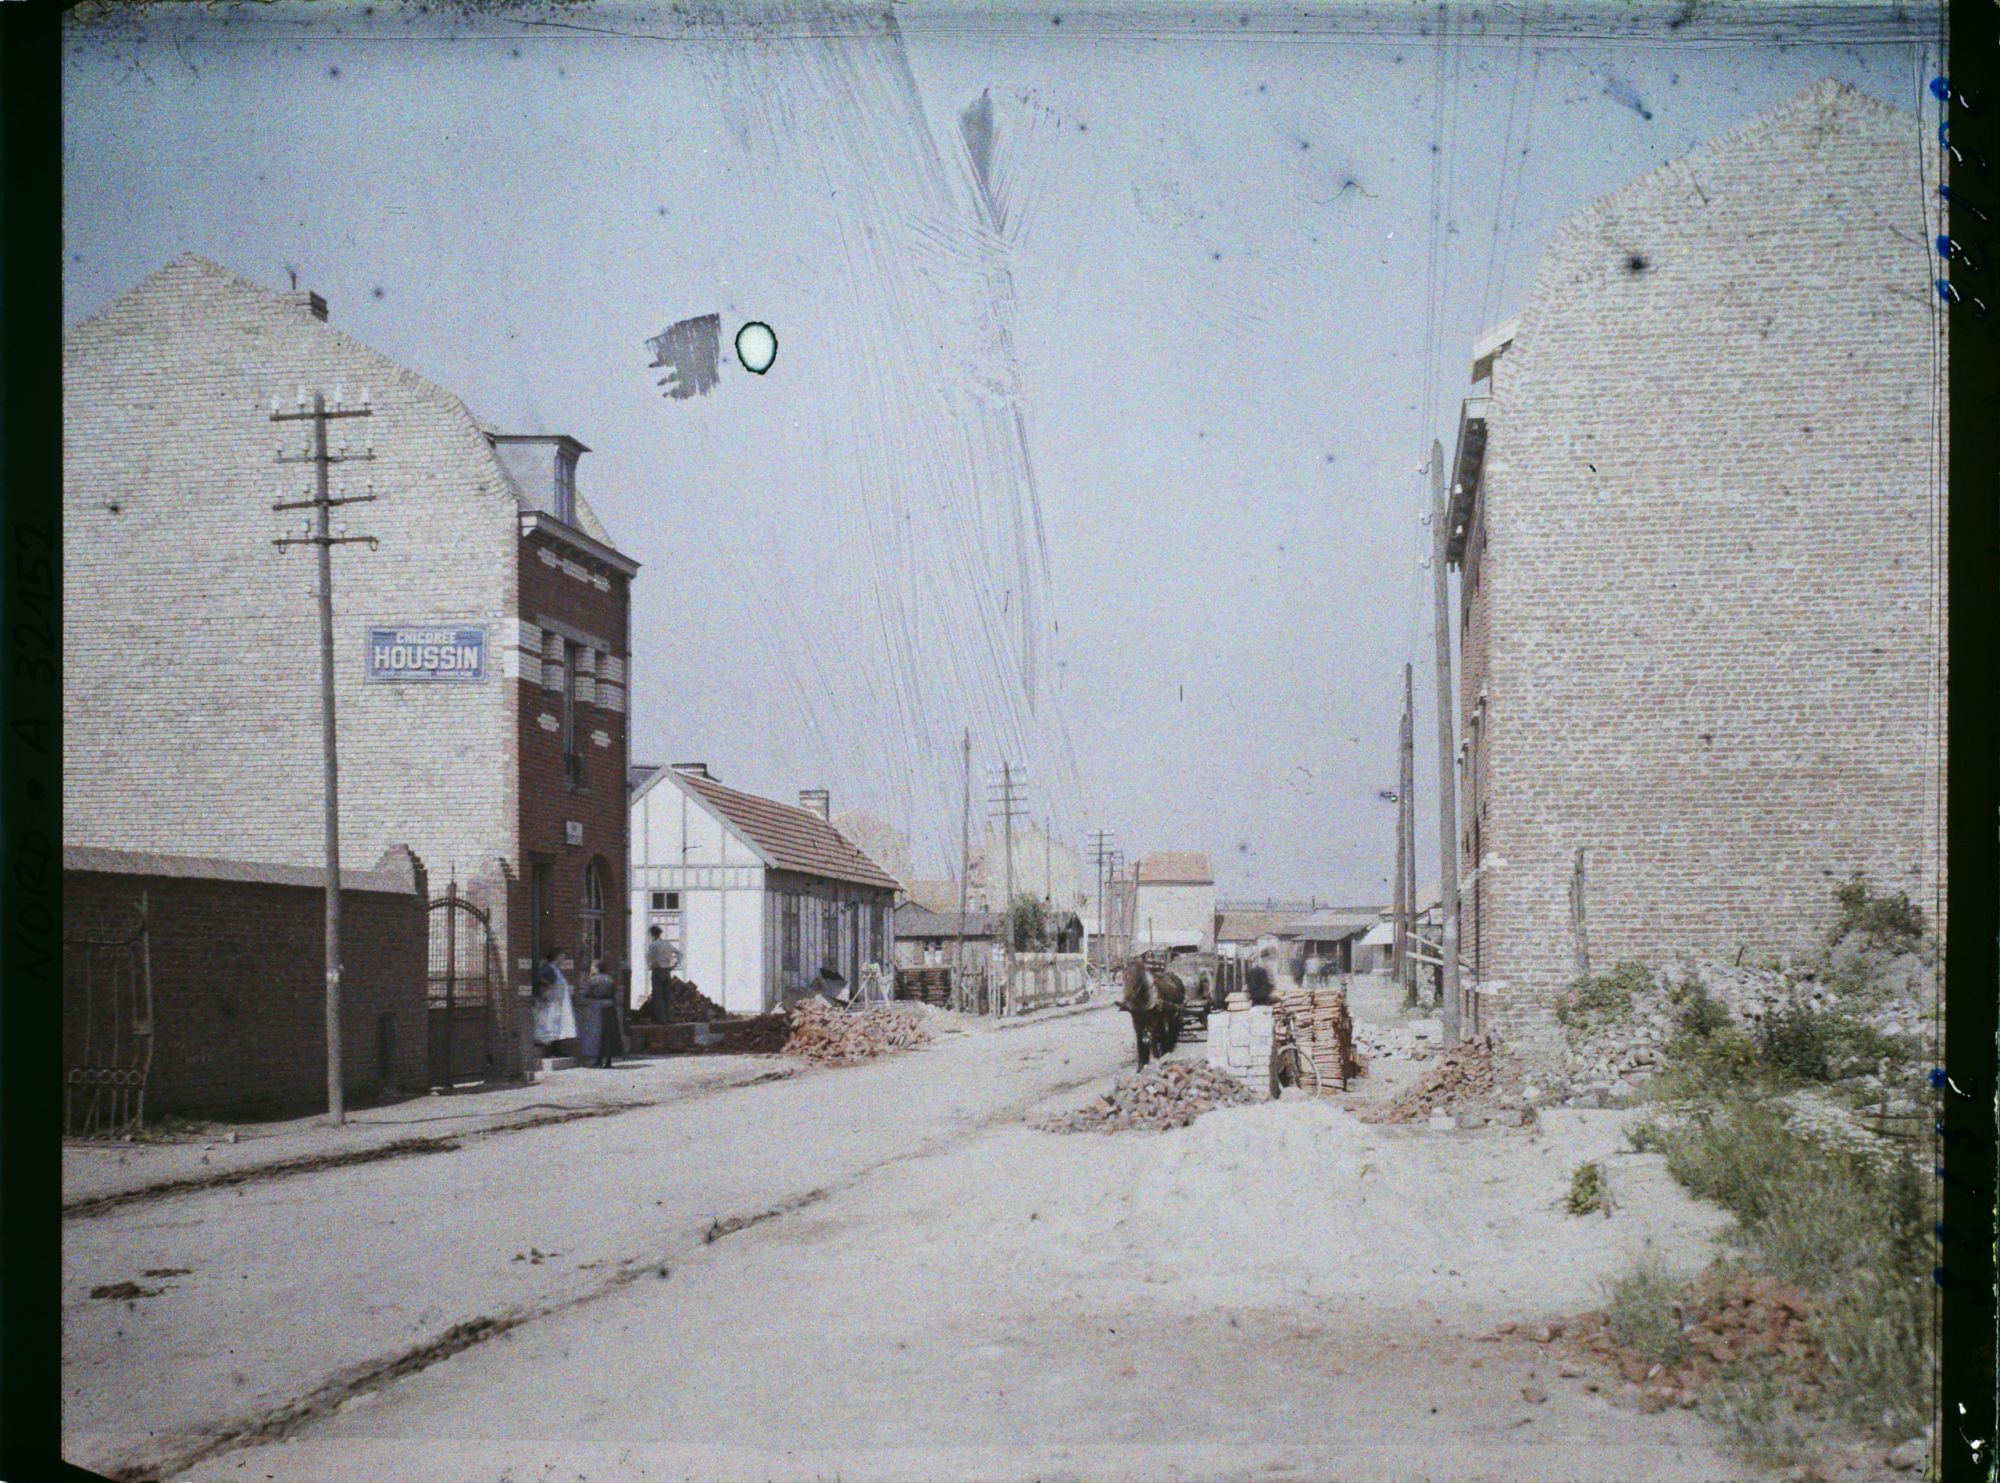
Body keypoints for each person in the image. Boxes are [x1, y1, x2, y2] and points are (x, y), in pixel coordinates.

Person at [576, 957, 626, 1069]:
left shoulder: (592, 980)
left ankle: (597, 1060)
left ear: (597, 968)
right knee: (609, 1035)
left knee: (596, 1034)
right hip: (609, 1007)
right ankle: (608, 1061)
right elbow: (614, 994)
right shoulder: (610, 979)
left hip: (596, 1007)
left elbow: (585, 993)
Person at [533, 947, 578, 1055]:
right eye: (562, 958)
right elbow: (539, 979)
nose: (563, 960)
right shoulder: (548, 969)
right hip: (550, 1003)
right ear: (556, 958)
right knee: (549, 1025)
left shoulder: (556, 969)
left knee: (557, 1025)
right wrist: (548, 988)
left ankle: (556, 1049)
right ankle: (549, 1051)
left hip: (557, 1003)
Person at [644, 925, 681, 1023]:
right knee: (666, 996)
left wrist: (651, 966)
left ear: (652, 934)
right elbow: (679, 953)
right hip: (667, 971)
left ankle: (661, 1019)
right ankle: (668, 1017)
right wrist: (674, 965)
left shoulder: (653, 945)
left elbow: (649, 957)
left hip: (657, 971)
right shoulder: (667, 944)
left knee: (658, 996)